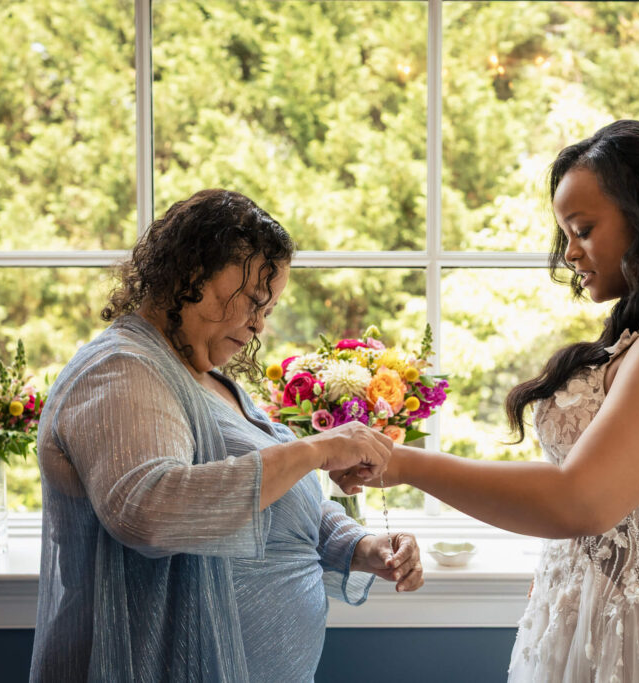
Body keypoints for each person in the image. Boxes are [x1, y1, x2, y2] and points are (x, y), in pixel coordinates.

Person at [339, 121, 639, 681]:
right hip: (605, 609)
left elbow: (583, 502)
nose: (569, 253)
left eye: (583, 229)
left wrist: (402, 463)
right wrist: (586, 565)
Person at [30, 189, 424, 683]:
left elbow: (277, 505)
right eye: (253, 301)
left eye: (268, 310)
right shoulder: (121, 369)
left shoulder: (201, 376)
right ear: (191, 271)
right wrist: (316, 450)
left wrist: (362, 546)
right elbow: (149, 511)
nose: (258, 324)